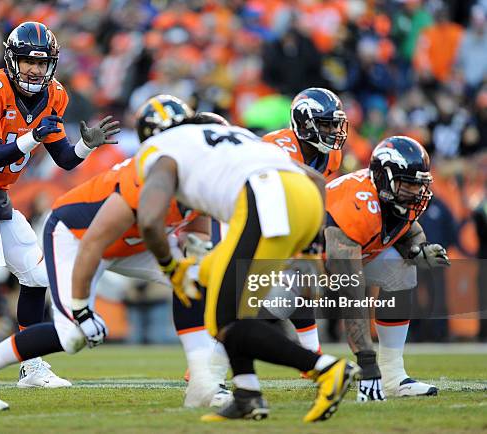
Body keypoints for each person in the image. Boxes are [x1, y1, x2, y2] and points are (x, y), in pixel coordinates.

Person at [0, 98, 230, 411]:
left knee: (204, 281)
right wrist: (82, 309)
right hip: (75, 236)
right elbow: (94, 243)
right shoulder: (146, 178)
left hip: (131, 242)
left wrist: (199, 250)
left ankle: (204, 383)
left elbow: (198, 224)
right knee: (73, 335)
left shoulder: (196, 175)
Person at [135, 104, 360, 422]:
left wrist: (170, 267)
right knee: (210, 282)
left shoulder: (161, 149)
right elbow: (315, 181)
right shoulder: (234, 136)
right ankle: (247, 395)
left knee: (225, 321)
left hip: (266, 201)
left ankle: (325, 369)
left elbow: (148, 222)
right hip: (302, 198)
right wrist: (310, 251)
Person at [0, 21, 120, 392]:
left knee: (38, 277)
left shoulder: (55, 95)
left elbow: (63, 158)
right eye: (26, 60)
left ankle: (31, 367)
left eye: (41, 61)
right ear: (11, 59)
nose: (34, 68)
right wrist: (34, 136)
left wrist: (86, 146)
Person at [325, 136, 450, 401]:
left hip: (344, 260)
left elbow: (412, 231)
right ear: (384, 178)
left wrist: (418, 251)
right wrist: (367, 364)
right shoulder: (358, 205)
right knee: (261, 315)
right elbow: (350, 293)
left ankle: (393, 375)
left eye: (419, 185)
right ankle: (218, 380)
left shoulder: (392, 199)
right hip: (295, 263)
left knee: (401, 268)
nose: (415, 193)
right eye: (408, 184)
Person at [262, 87, 348, 353]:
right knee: (269, 299)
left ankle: (312, 353)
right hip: (255, 218)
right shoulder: (277, 146)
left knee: (297, 284)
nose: (333, 132)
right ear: (304, 123)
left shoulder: (332, 156)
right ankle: (211, 361)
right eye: (325, 124)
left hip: (290, 220)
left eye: (335, 125)